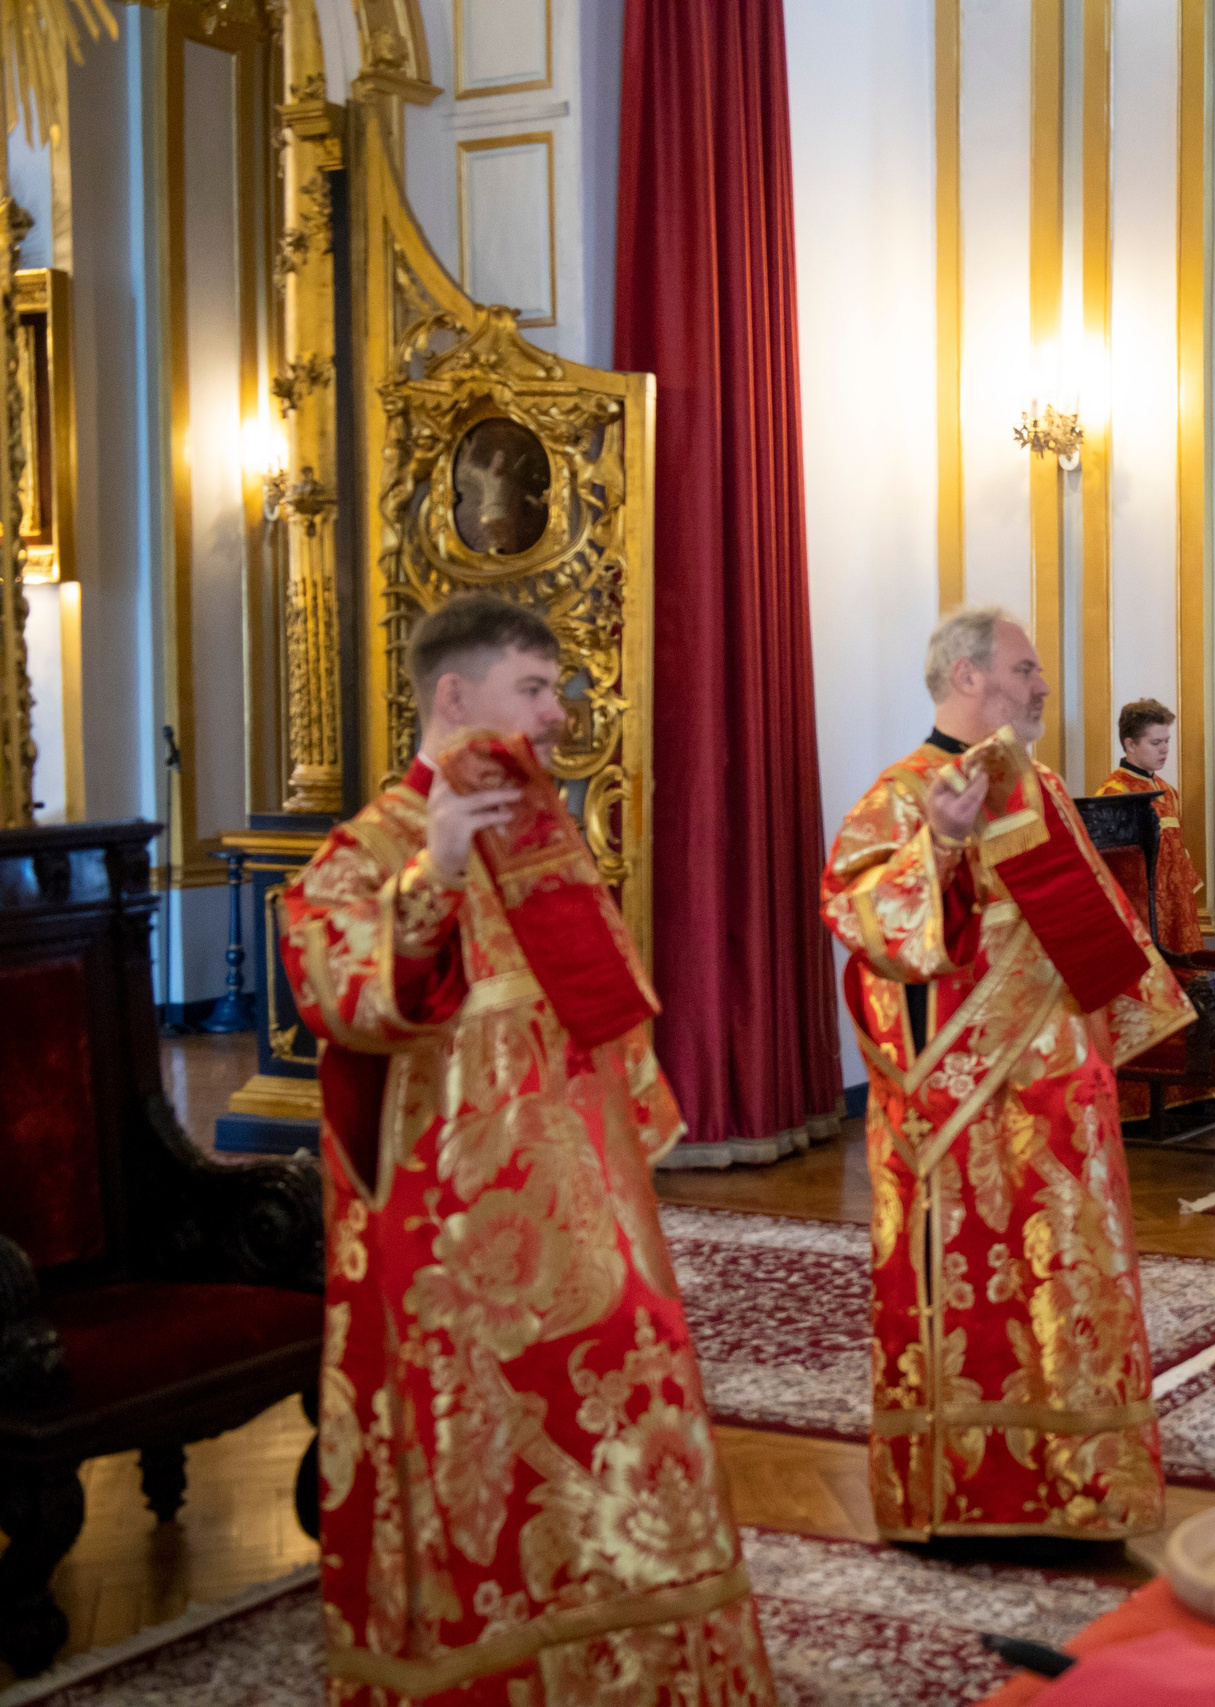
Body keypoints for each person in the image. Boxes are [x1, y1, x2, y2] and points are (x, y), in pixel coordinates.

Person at [281, 593, 774, 1703]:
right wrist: (437, 875)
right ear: (455, 699)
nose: (557, 716)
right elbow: (343, 998)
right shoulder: (364, 850)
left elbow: (597, 1020)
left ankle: (634, 1669)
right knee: (481, 1478)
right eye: (535, 691)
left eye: (556, 691)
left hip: (592, 1225)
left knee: (632, 1448)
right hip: (455, 1253)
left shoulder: (539, 833)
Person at [820, 607, 1193, 1539]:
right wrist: (940, 850)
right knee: (985, 1301)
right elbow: (868, 930)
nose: (1041, 685)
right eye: (1026, 668)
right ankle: (970, 1496)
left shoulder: (1045, 786)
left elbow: (1098, 934)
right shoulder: (900, 796)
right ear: (966, 676)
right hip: (968, 1108)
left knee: (1075, 1288)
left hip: (1068, 1093)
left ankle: (1084, 1482)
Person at [1094, 697, 1204, 955]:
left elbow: (1178, 856)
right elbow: (1113, 870)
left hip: (1178, 911)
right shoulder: (1114, 794)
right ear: (1130, 744)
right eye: (1155, 743)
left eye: (1166, 741)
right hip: (1142, 914)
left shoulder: (1169, 792)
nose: (1164, 750)